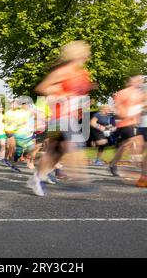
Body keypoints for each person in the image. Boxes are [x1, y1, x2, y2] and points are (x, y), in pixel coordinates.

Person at [30, 40, 93, 196]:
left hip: (69, 116)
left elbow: (79, 94)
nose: (87, 54)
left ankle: (36, 178)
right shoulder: (64, 71)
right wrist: (60, 94)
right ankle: (79, 180)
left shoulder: (83, 73)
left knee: (54, 152)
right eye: (85, 51)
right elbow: (41, 88)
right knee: (75, 143)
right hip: (58, 117)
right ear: (76, 54)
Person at [108, 75, 145, 177]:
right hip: (124, 122)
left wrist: (138, 118)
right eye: (137, 80)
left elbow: (140, 108)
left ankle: (113, 164)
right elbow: (117, 106)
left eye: (141, 80)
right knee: (134, 141)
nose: (140, 82)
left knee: (125, 146)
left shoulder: (140, 94)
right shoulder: (123, 92)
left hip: (134, 122)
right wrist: (126, 115)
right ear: (131, 81)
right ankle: (136, 163)